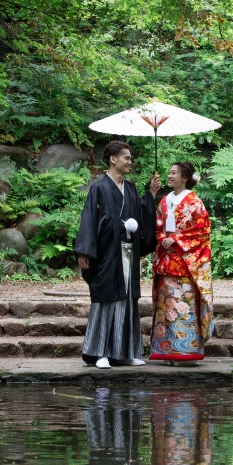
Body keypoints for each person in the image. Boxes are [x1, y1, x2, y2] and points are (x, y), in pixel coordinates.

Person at [75, 140, 161, 368]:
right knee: (106, 298)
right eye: (127, 158)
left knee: (128, 299)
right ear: (113, 159)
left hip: (128, 252)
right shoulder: (99, 187)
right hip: (106, 253)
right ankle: (100, 352)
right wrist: (84, 250)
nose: (130, 162)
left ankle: (126, 352)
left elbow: (141, 214)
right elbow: (89, 220)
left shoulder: (131, 188)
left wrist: (151, 194)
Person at [149, 161, 214, 364]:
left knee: (182, 304)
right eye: (169, 172)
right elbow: (157, 227)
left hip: (185, 263)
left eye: (173, 173)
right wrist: (161, 239)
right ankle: (167, 351)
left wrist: (176, 239)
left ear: (184, 178)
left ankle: (187, 351)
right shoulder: (164, 201)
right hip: (166, 260)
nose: (169, 175)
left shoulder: (194, 202)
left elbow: (202, 231)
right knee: (166, 306)